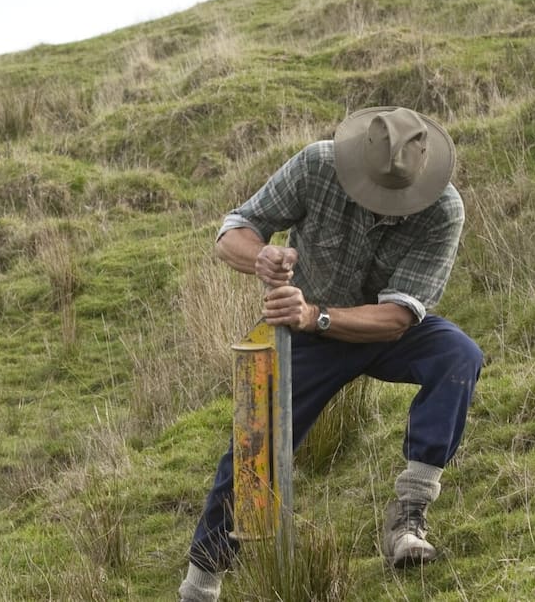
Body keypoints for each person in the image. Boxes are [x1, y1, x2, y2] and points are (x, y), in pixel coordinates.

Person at [179, 106, 483, 602]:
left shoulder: (443, 209)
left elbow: (399, 318)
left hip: (383, 332)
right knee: (254, 444)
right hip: (306, 340)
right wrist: (262, 256)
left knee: (458, 356)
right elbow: (234, 229)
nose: (383, 203)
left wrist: (315, 314)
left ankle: (408, 516)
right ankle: (201, 583)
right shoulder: (317, 165)